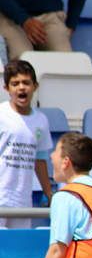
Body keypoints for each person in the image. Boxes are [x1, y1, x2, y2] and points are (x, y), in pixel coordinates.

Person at [0, 60, 53, 229]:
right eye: (15, 84)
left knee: (17, 249)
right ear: (6, 88)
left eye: (26, 83)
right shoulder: (2, 115)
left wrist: (48, 192)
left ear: (35, 86)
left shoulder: (41, 120)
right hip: (1, 195)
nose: (21, 87)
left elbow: (40, 159)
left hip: (22, 198)